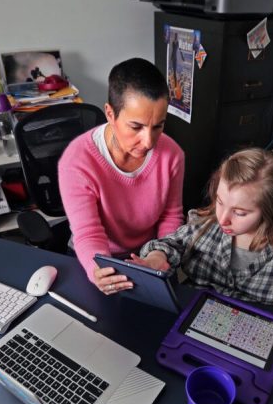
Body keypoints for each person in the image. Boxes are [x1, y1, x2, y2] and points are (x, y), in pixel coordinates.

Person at [135, 148, 273, 320]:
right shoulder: (207, 224)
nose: (223, 218)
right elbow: (173, 243)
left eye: (240, 212)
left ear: (271, 209)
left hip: (263, 329)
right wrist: (156, 257)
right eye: (219, 201)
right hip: (198, 315)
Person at [58, 58, 185, 294]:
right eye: (136, 127)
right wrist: (101, 272)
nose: (148, 141)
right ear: (110, 113)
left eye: (158, 126)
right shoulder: (76, 161)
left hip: (148, 254)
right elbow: (88, 233)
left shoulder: (173, 155)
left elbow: (171, 215)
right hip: (96, 258)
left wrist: (159, 254)